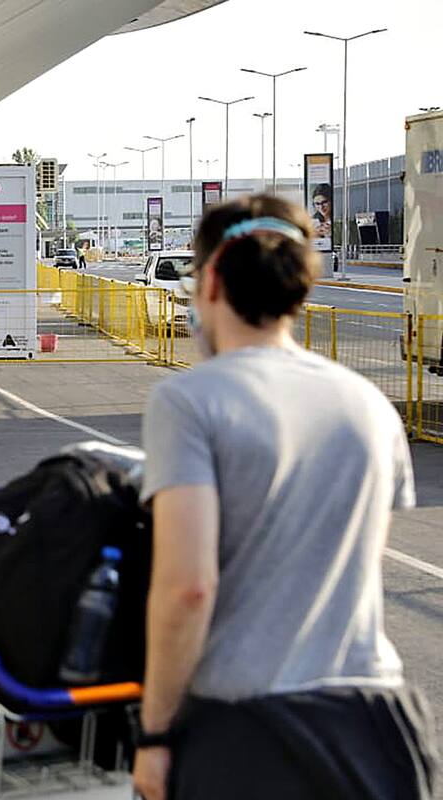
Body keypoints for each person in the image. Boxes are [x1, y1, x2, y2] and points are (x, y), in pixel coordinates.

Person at [132, 195, 438, 800]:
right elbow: (353, 565)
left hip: (249, 732)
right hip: (376, 727)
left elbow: (188, 589)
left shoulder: (191, 402)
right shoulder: (368, 406)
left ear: (211, 278)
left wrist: (154, 734)